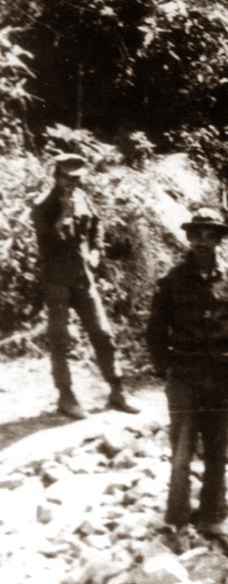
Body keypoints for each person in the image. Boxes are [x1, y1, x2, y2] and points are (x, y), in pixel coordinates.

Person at [146, 207, 228, 538]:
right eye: (197, 235)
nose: (202, 242)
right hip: (185, 376)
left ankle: (213, 515)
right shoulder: (172, 280)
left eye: (210, 235)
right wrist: (167, 369)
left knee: (218, 449)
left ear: (219, 239)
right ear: (189, 238)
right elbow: (154, 331)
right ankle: (176, 515)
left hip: (221, 378)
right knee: (181, 450)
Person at [31, 153, 139, 419]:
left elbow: (96, 226)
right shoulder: (42, 206)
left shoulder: (83, 198)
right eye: (68, 178)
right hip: (57, 280)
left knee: (102, 333)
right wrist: (63, 214)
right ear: (56, 176)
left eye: (77, 179)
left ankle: (116, 390)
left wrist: (95, 252)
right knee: (60, 339)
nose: (72, 183)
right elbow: (46, 243)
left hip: (83, 278)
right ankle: (66, 396)